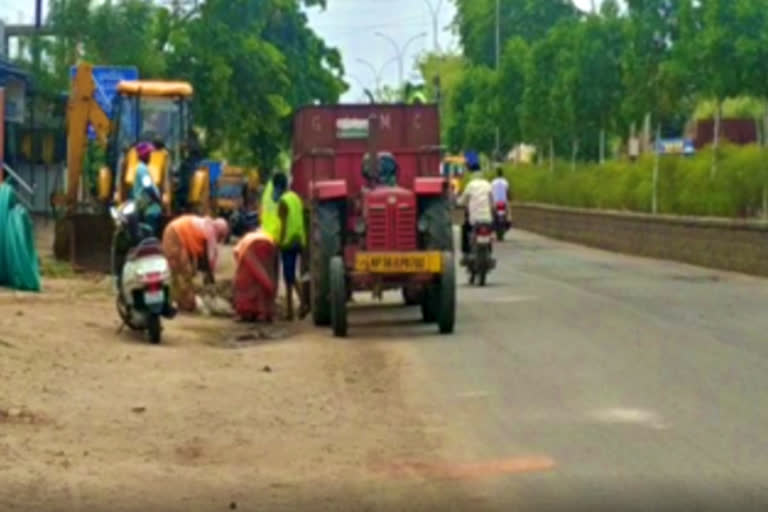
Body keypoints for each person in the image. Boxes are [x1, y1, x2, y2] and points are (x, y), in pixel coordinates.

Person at [161, 214, 229, 312]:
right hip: (175, 236)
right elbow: (210, 257)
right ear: (221, 231)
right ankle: (187, 305)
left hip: (171, 231)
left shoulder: (206, 225)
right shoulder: (211, 231)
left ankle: (177, 302)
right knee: (184, 275)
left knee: (177, 274)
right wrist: (210, 277)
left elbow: (200, 253)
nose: (220, 239)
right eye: (221, 236)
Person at [272, 172, 309, 321]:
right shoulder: (295, 198)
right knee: (291, 276)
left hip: (288, 243)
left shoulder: (283, 202)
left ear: (277, 186)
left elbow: (284, 224)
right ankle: (291, 309)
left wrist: (278, 242)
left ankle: (301, 305)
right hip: (299, 240)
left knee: (289, 276)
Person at [457, 153, 493, 258]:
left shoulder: (470, 185)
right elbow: (492, 203)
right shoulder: (488, 185)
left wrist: (458, 203)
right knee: (489, 233)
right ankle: (489, 252)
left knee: (464, 228)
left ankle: (466, 252)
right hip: (487, 219)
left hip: (474, 219)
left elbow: (462, 201)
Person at [132, 142, 163, 237]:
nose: (150, 157)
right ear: (144, 156)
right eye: (149, 154)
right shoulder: (142, 169)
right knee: (150, 233)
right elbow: (148, 186)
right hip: (149, 209)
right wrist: (157, 199)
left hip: (148, 207)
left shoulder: (143, 168)